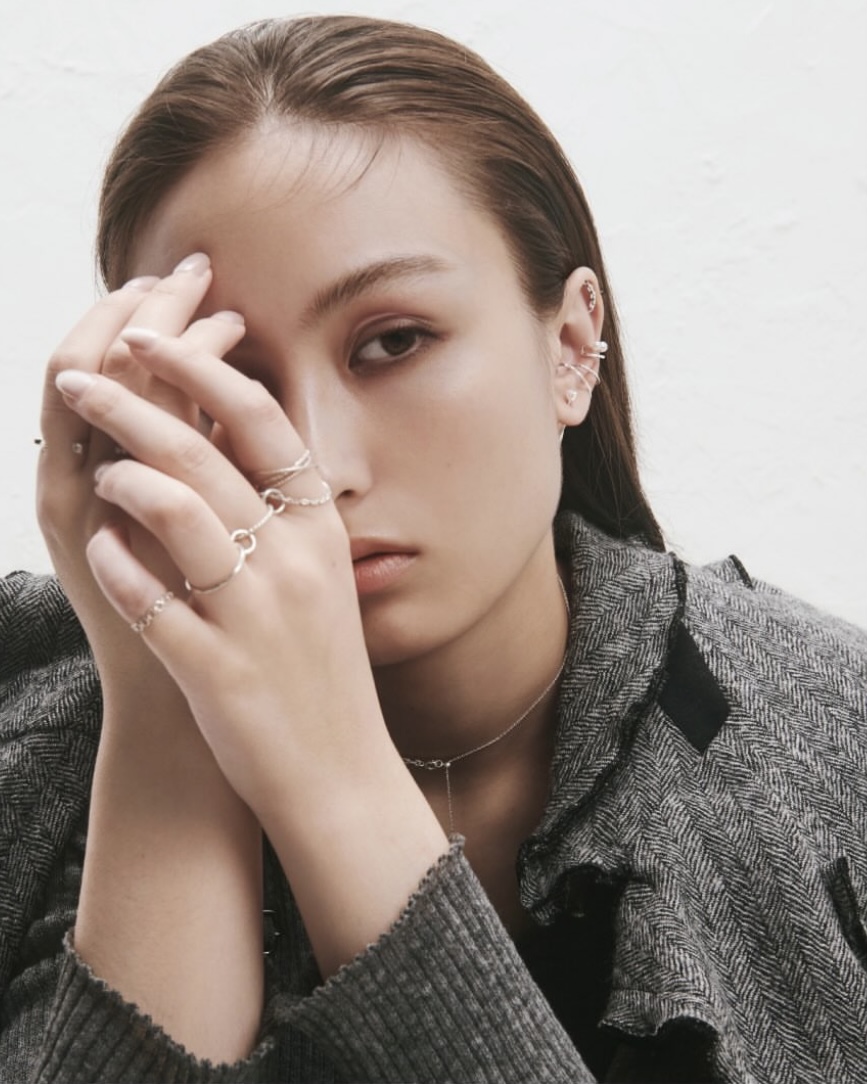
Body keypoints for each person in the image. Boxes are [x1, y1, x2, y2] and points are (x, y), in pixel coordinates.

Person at [1, 14, 865, 1083]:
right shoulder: (34, 737)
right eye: (233, 381)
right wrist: (161, 703)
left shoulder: (831, 743)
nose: (316, 464)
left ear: (571, 345)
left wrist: (336, 782)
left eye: (393, 342)